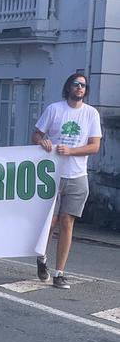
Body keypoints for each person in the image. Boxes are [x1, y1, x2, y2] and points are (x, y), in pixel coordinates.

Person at [33, 73, 102, 289]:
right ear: (69, 87)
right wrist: (42, 141)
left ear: (86, 90)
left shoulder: (91, 114)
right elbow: (36, 135)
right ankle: (41, 257)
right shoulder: (55, 109)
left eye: (83, 85)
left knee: (67, 222)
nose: (79, 88)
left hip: (77, 175)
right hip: (52, 174)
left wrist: (71, 151)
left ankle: (59, 272)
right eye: (76, 84)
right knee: (50, 222)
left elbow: (94, 146)